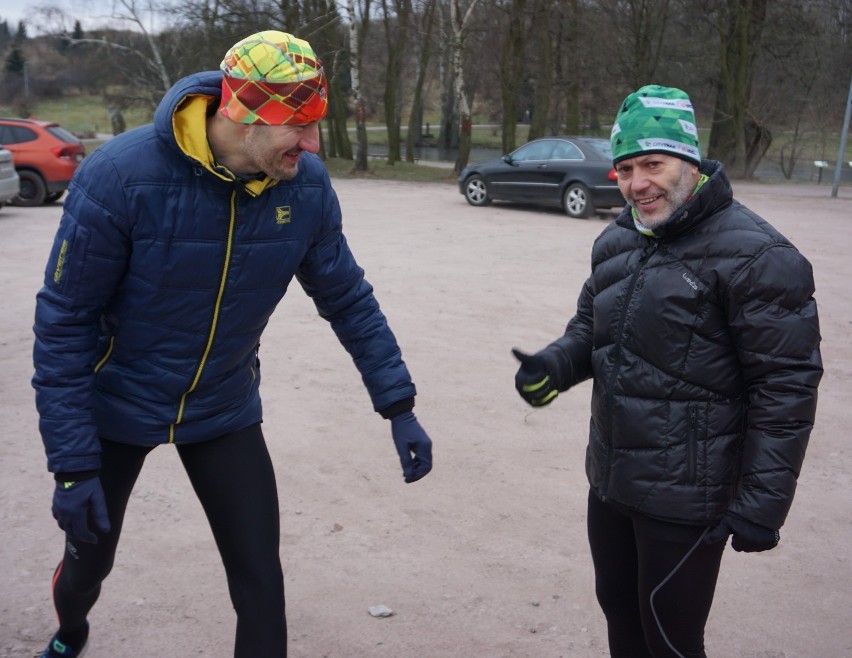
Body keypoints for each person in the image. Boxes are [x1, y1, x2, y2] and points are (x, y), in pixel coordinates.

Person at [32, 30, 433, 658]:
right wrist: (72, 463)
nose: (313, 143)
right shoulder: (119, 176)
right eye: (298, 127)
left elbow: (347, 297)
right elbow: (63, 321)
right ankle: (71, 630)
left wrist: (398, 404)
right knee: (87, 569)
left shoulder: (304, 185)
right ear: (242, 115)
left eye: (315, 123)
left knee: (260, 582)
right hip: (113, 407)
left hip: (222, 406)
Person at [512, 85, 822, 657]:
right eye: (625, 168)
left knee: (670, 640)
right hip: (610, 480)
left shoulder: (759, 256)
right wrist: (555, 364)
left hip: (687, 497)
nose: (637, 183)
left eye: (652, 164)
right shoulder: (617, 239)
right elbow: (590, 329)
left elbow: (785, 386)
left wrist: (761, 502)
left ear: (691, 162)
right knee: (621, 620)